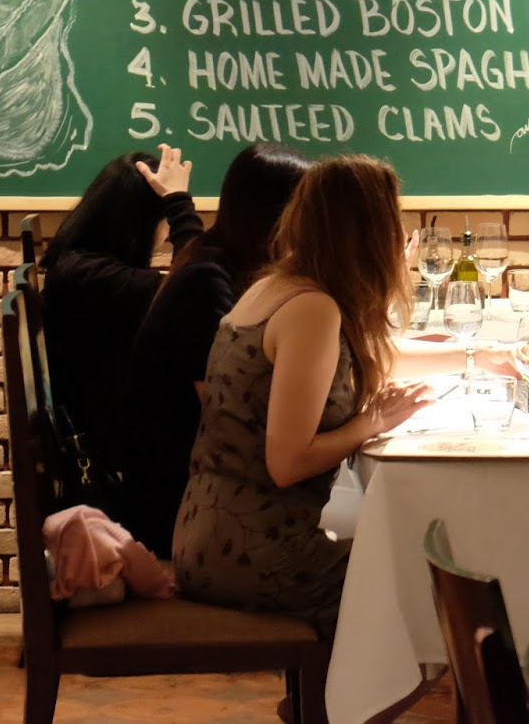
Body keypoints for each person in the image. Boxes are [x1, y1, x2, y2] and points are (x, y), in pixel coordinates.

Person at [172, 154, 433, 637]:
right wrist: (372, 423)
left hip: (203, 535)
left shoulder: (276, 286)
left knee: (393, 551)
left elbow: (360, 358)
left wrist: (479, 358)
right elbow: (287, 463)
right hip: (255, 552)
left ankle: (341, 686)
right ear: (370, 233)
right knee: (429, 577)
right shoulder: (314, 309)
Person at [118, 143, 311, 556]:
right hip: (181, 510)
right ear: (278, 216)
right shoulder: (206, 283)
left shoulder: (217, 261)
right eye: (309, 211)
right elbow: (231, 416)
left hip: (204, 487)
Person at [41, 144, 200, 495]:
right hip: (121, 460)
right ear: (139, 221)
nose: (168, 234)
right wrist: (179, 203)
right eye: (164, 220)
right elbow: (200, 289)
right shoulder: (90, 276)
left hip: (116, 438)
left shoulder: (79, 265)